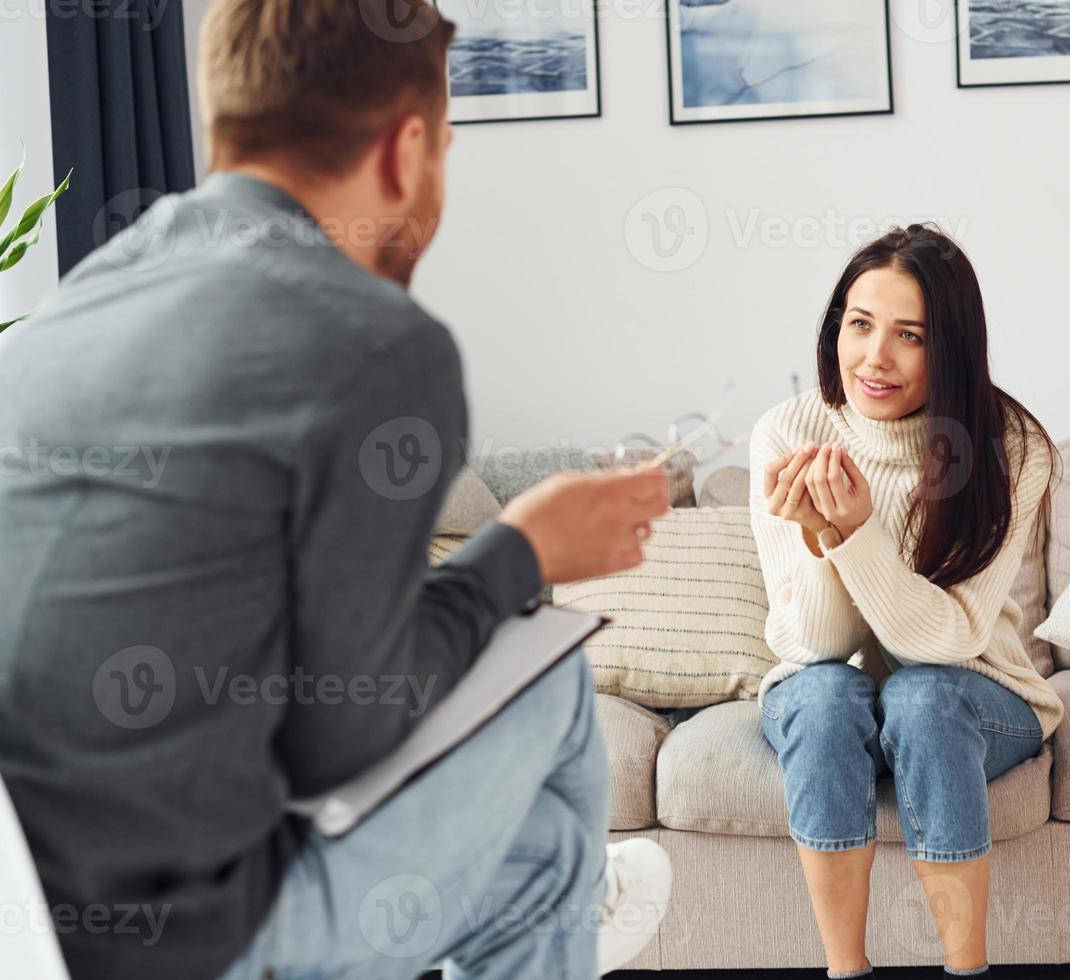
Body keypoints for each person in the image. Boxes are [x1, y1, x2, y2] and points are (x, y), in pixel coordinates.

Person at [0, 1, 671, 977]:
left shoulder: (68, 312)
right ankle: (569, 916)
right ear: (406, 153)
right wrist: (520, 547)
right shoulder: (375, 343)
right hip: (195, 941)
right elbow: (340, 737)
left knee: (540, 867)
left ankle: (567, 907)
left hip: (30, 928)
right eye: (445, 145)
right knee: (551, 675)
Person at [747, 225, 1066, 978]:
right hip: (829, 689)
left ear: (950, 347)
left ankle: (966, 972)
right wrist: (825, 535)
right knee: (825, 696)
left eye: (909, 336)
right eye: (859, 325)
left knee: (923, 698)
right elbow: (815, 648)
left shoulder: (1011, 447)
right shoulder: (788, 432)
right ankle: (845, 972)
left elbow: (946, 641)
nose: (873, 358)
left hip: (976, 694)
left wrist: (857, 532)